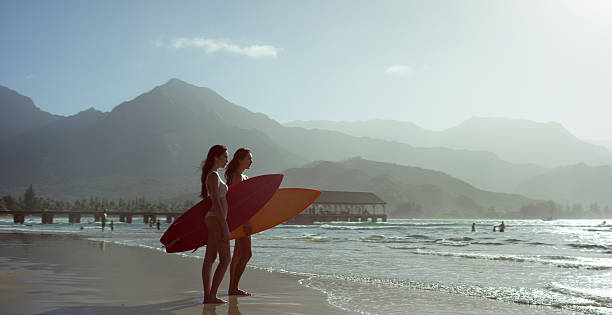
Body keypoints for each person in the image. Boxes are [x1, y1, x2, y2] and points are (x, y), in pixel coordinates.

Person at [201, 145, 230, 304]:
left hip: (214, 219)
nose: (227, 160)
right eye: (225, 156)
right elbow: (216, 203)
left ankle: (208, 296)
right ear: (216, 157)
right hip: (216, 220)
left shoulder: (214, 175)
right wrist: (224, 226)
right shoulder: (213, 176)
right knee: (226, 259)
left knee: (211, 258)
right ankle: (211, 295)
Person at [225, 148, 253, 296]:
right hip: (240, 219)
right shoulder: (236, 177)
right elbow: (237, 202)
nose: (251, 161)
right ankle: (233, 287)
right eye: (248, 158)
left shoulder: (244, 176)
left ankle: (232, 287)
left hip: (239, 219)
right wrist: (246, 221)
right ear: (239, 160)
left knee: (238, 255)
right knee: (246, 254)